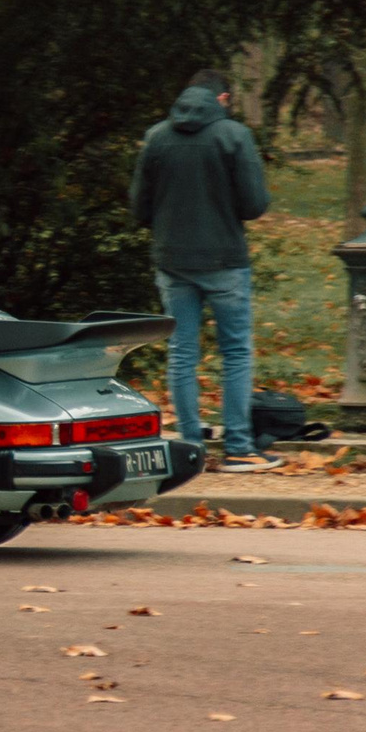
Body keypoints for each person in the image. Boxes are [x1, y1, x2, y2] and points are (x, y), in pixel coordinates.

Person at [130, 69, 279, 472]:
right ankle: (239, 447)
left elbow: (139, 207)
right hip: (224, 259)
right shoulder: (234, 136)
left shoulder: (157, 137)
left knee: (181, 354)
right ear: (224, 98)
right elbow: (254, 204)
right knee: (235, 352)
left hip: (172, 260)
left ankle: (190, 448)